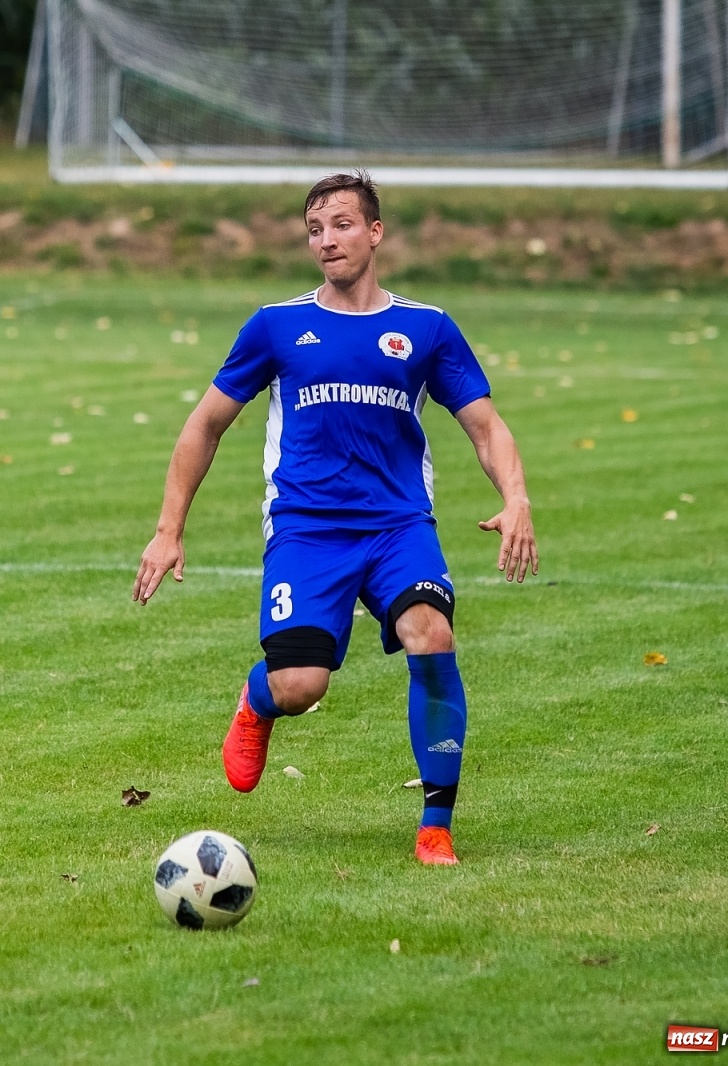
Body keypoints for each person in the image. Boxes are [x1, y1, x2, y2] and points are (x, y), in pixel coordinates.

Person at [133, 171, 537, 866]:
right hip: (306, 530)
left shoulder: (426, 328)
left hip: (398, 526)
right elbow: (204, 426)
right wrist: (169, 529)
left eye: (343, 225)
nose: (327, 240)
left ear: (375, 232)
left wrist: (517, 498)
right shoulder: (276, 326)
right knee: (301, 685)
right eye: (315, 229)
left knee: (430, 632)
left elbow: (485, 426)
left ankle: (434, 827)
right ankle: (258, 699)